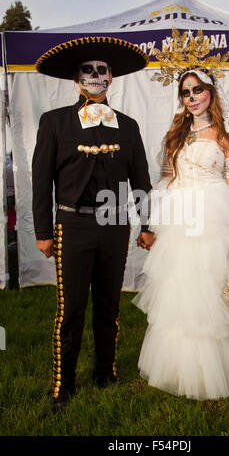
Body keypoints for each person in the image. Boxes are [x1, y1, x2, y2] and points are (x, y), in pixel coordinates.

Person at [133, 28, 229, 400]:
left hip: (214, 226)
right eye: (185, 92)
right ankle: (181, 369)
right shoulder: (174, 137)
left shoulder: (226, 139)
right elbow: (165, 181)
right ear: (180, 98)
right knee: (180, 294)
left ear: (210, 92)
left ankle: (217, 372)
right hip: (181, 223)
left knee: (212, 297)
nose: (192, 97)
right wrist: (156, 225)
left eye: (198, 89)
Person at [32, 36, 153, 410]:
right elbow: (41, 180)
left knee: (109, 305)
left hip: (116, 228)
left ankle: (106, 373)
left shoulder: (129, 127)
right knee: (71, 310)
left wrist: (146, 224)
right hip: (74, 227)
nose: (96, 75)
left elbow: (141, 180)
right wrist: (42, 231)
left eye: (102, 70)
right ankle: (62, 386)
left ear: (112, 77)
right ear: (76, 79)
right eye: (88, 70)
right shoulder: (54, 122)